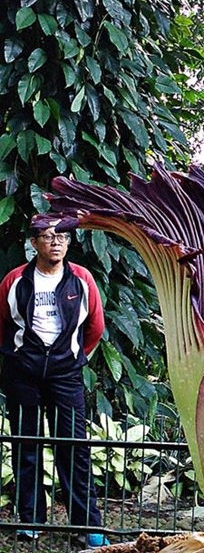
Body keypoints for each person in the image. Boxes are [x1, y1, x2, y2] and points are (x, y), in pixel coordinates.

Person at [0, 217, 110, 547]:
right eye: (48, 237)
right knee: (26, 446)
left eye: (62, 236)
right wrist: (18, 358)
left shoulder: (82, 280)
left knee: (74, 448)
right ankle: (31, 520)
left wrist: (75, 358)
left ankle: (87, 526)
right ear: (34, 243)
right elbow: (2, 325)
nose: (56, 242)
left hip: (66, 376)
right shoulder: (15, 280)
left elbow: (95, 328)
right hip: (24, 375)